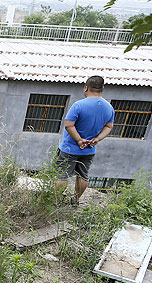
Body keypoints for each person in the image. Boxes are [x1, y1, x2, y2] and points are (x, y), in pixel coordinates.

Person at [55, 76, 115, 206]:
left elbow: (69, 125)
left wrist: (79, 140)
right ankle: (75, 200)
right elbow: (109, 126)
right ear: (102, 89)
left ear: (86, 88)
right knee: (83, 175)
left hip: (70, 147)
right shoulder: (108, 107)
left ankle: (56, 201)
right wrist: (97, 139)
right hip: (89, 149)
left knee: (63, 175)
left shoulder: (79, 105)